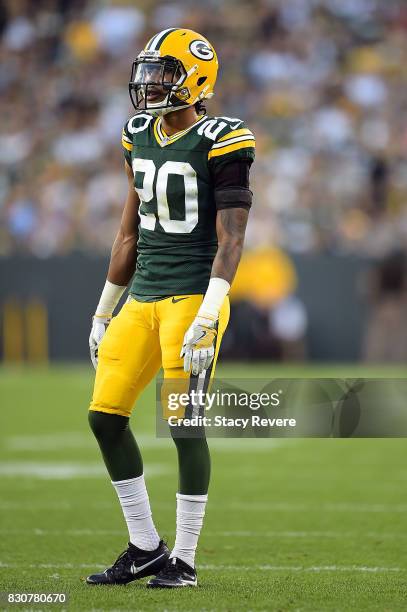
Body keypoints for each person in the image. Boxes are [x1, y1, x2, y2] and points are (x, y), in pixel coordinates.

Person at [86, 27, 255, 588]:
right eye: (148, 71)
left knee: (184, 425)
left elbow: (231, 237)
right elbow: (128, 231)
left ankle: (184, 558)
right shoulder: (137, 132)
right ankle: (145, 546)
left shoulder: (223, 138)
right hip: (143, 297)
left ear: (197, 78)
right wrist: (104, 307)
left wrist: (211, 310)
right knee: (105, 417)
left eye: (165, 72)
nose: (150, 83)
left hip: (193, 298)